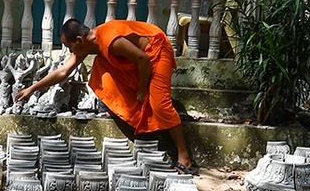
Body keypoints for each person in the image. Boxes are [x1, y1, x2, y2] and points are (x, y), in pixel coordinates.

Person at [16, 17, 195, 172]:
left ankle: (184, 156)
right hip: (140, 57)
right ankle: (129, 110)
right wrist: (32, 88)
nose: (70, 52)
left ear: (79, 40)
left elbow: (143, 59)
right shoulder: (87, 44)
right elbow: (63, 71)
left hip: (156, 50)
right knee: (100, 67)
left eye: (69, 47)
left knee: (160, 105)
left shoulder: (109, 40)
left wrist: (142, 89)